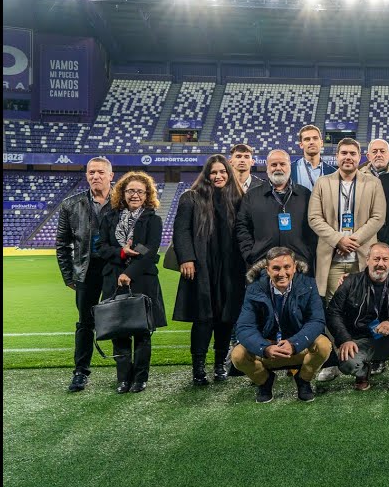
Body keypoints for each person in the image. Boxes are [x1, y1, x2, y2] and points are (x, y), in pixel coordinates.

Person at [171, 155, 247, 386]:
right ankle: (198, 368)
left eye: (222, 172)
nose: (218, 176)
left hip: (229, 269)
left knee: (226, 318)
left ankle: (219, 366)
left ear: (229, 173)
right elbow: (181, 230)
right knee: (203, 319)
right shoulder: (191, 197)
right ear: (206, 175)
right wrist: (187, 259)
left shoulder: (237, 199)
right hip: (201, 268)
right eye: (213, 172)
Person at [94, 171, 167, 394]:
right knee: (119, 331)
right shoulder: (109, 217)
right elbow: (101, 247)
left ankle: (140, 378)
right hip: (113, 280)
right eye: (130, 191)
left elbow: (152, 252)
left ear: (147, 195)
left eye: (140, 191)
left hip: (142, 280)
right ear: (123, 193)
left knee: (143, 333)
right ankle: (123, 378)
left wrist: (131, 270)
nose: (135, 195)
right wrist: (122, 253)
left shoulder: (153, 219)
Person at [230, 247, 332, 403]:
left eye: (287, 267)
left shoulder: (309, 284)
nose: (282, 273)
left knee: (324, 345)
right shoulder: (254, 289)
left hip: (297, 345)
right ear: (267, 269)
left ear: (294, 266)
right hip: (269, 346)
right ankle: (264, 381)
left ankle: (303, 380)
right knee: (237, 355)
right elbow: (244, 327)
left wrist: (294, 343)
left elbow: (317, 320)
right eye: (276, 268)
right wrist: (265, 348)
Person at [326, 243, 389, 393]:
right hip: (360, 341)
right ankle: (362, 372)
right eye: (376, 259)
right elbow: (333, 312)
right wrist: (345, 339)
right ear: (367, 260)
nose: (381, 264)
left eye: (385, 259)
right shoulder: (350, 282)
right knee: (346, 363)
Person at [55, 156, 114, 392]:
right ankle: (81, 372)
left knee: (121, 318)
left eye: (100, 172)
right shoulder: (71, 204)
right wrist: (69, 276)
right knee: (85, 324)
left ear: (111, 175)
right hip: (86, 271)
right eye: (91, 172)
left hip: (114, 270)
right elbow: (62, 244)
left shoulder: (123, 201)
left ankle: (124, 369)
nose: (95, 176)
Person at [307, 137, 385, 298]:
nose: (348, 157)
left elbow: (378, 217)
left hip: (362, 258)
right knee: (334, 307)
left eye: (352, 153)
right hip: (332, 260)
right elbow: (314, 218)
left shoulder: (373, 183)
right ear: (337, 156)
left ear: (359, 157)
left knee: (362, 305)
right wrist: (338, 240)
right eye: (344, 153)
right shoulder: (322, 183)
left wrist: (352, 240)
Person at [235, 149, 317, 269]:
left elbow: (314, 228)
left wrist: (307, 254)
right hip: (262, 265)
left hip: (299, 265)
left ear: (289, 166)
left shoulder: (305, 194)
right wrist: (250, 254)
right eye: (273, 165)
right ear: (267, 167)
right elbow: (242, 226)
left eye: (282, 164)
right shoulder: (252, 196)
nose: (278, 168)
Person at [290, 124, 330, 192]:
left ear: (321, 143)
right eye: (307, 139)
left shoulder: (333, 172)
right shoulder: (290, 169)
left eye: (315, 138)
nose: (311, 142)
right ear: (301, 145)